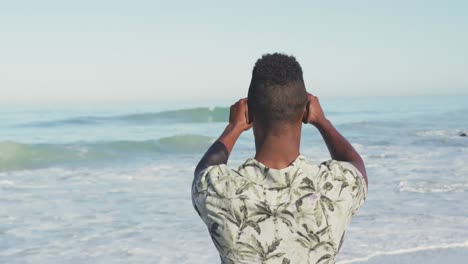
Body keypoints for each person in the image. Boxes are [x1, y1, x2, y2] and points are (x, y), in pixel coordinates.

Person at [192, 53, 368, 264]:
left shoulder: (219, 190)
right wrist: (323, 122)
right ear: (305, 111)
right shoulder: (335, 187)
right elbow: (356, 166)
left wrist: (234, 127)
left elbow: (204, 171)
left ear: (248, 111)